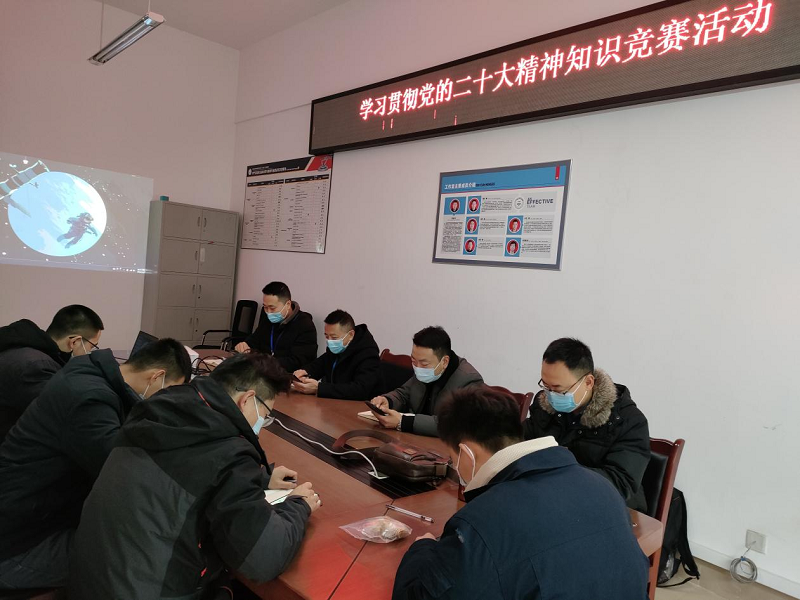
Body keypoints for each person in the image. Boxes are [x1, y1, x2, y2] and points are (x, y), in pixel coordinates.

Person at [68, 353, 321, 599]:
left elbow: (188, 471)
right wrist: (298, 506)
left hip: (88, 581)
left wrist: (260, 478)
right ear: (247, 400)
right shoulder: (230, 452)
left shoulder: (158, 410)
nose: (261, 425)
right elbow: (263, 560)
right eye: (264, 416)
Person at [392, 386, 649, 600]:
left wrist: (422, 549)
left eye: (453, 458)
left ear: (467, 453)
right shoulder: (602, 487)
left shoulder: (480, 521)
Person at [0, 339, 191, 589]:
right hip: (18, 542)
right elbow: (121, 474)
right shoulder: (89, 399)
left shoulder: (90, 374)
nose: (168, 400)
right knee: (137, 560)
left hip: (33, 511)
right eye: (170, 392)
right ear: (156, 376)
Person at [523, 338, 650, 511]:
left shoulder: (629, 422)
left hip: (603, 508)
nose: (551, 395)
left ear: (589, 382)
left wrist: (560, 468)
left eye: (559, 389)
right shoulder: (545, 406)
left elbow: (620, 483)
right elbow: (521, 442)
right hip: (550, 497)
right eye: (546, 386)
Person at [0, 305, 103, 442]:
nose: (90, 352)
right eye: (92, 346)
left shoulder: (25, 347)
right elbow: (63, 415)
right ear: (74, 342)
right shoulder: (37, 367)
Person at [371, 326, 482, 437]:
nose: (418, 368)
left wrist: (403, 422)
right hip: (413, 437)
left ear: (444, 362)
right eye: (414, 361)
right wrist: (388, 401)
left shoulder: (469, 381)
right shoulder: (424, 371)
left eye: (424, 364)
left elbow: (454, 424)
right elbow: (404, 394)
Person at [293, 309, 381, 400]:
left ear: (351, 335)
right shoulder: (337, 348)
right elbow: (320, 364)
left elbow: (360, 389)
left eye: (334, 337)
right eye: (326, 336)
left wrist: (319, 388)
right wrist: (305, 372)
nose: (330, 341)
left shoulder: (368, 354)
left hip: (359, 405)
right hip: (334, 402)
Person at [235, 281, 317, 372]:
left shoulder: (305, 325)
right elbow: (255, 339)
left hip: (286, 375)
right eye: (265, 307)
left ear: (288, 305)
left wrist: (264, 362)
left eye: (272, 308)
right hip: (263, 371)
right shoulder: (268, 319)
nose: (268, 312)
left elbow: (298, 361)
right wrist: (245, 344)